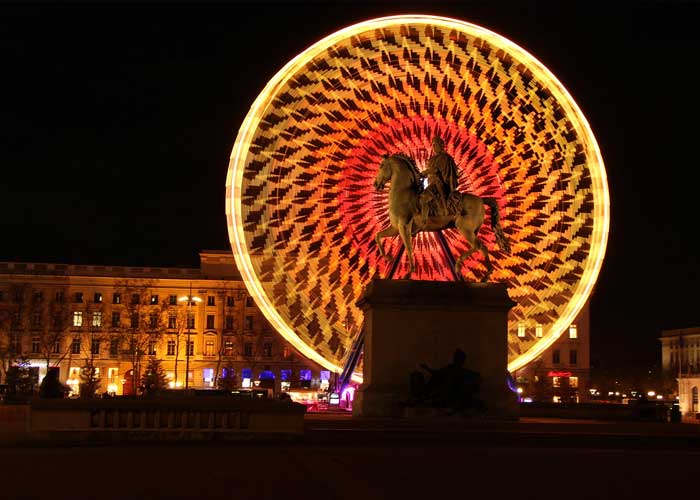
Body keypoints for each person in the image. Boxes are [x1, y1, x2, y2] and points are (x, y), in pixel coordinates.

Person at [420, 136, 460, 218]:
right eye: (433, 145)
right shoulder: (432, 159)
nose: (433, 147)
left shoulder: (444, 157)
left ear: (440, 146)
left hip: (440, 183)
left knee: (424, 197)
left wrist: (423, 173)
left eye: (435, 145)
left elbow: (435, 170)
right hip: (431, 182)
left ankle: (444, 208)